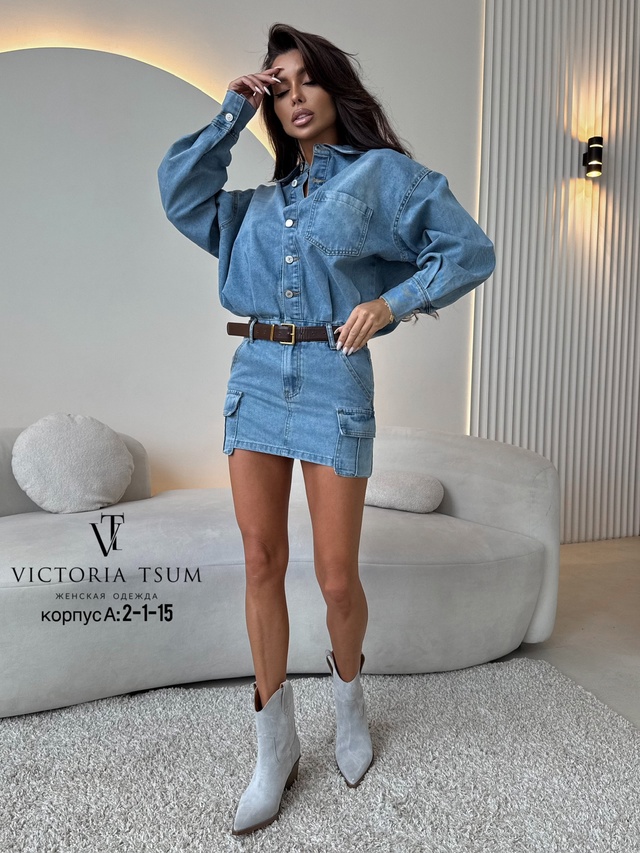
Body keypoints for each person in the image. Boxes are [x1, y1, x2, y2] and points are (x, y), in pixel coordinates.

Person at [158, 22, 495, 836]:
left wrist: (390, 303)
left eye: (306, 79)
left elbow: (468, 250)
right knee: (261, 561)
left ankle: (349, 699)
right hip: (255, 377)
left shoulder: (382, 176)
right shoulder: (253, 208)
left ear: (334, 87)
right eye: (279, 86)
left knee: (337, 576)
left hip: (334, 378)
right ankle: (273, 745)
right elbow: (180, 192)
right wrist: (232, 112)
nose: (295, 96)